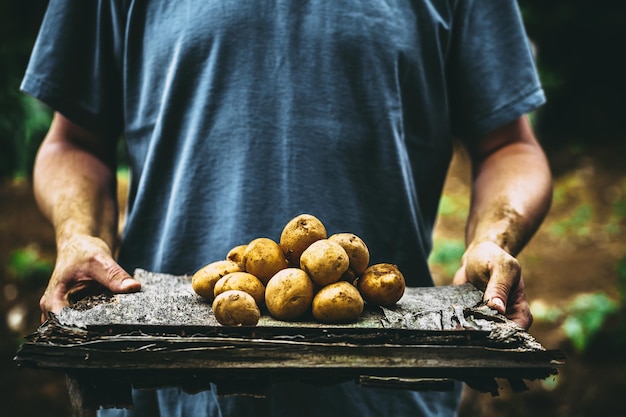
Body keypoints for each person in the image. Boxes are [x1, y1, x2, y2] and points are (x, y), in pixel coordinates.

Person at [22, 1, 552, 416]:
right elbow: (73, 142)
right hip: (156, 382)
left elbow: (510, 146)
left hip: (383, 382)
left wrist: (494, 238)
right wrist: (78, 235)